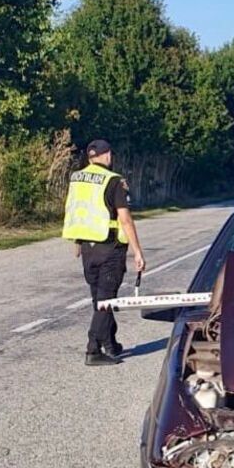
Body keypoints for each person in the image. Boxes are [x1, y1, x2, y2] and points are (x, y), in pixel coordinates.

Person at [62, 139, 145, 365]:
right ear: (107, 156)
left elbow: (74, 209)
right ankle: (93, 350)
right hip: (110, 247)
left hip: (88, 247)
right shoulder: (114, 181)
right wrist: (137, 251)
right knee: (106, 300)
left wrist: (77, 241)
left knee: (99, 298)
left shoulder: (76, 178)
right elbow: (125, 219)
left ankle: (110, 343)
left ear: (90, 157)